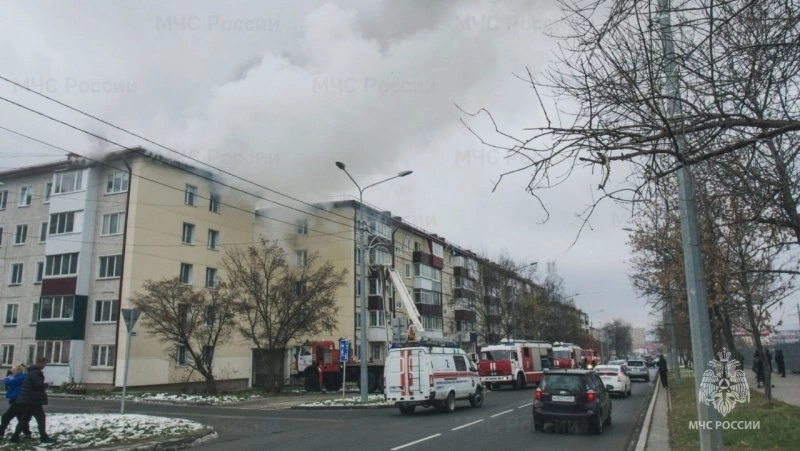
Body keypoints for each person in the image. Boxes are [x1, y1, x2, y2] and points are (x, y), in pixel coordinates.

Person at [9, 357, 50, 443]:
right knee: (41, 418)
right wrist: (46, 384)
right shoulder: (35, 373)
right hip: (32, 400)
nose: (44, 366)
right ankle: (44, 437)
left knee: (25, 419)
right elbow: (37, 385)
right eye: (44, 364)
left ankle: (15, 437)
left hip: (26, 399)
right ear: (39, 363)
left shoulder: (31, 371)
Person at [0, 364, 31, 439]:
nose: (12, 372)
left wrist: (6, 378)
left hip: (18, 400)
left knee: (6, 417)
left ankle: (1, 433)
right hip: (17, 400)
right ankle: (27, 433)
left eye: (14, 370)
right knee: (20, 418)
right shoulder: (19, 377)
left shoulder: (21, 377)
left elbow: (10, 382)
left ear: (19, 370)